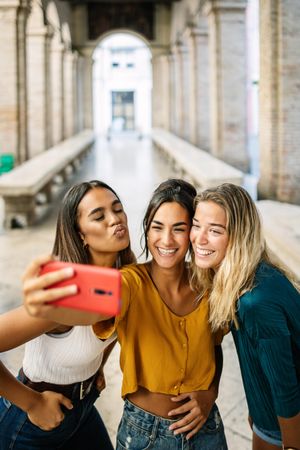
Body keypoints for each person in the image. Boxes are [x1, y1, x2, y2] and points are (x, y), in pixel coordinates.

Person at [23, 178, 228, 450]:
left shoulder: (209, 283)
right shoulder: (129, 280)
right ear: (146, 228)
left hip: (206, 427)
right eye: (157, 227)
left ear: (193, 232)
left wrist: (209, 393)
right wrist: (52, 301)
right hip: (145, 434)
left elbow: (214, 346)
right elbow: (92, 310)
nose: (166, 240)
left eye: (179, 228)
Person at [0, 180, 136, 450]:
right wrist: (33, 403)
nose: (115, 219)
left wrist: (97, 364)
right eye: (99, 216)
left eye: (118, 209)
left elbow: (111, 330)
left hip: (83, 407)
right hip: (32, 421)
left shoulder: (124, 278)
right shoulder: (64, 293)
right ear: (80, 234)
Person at [189, 183, 300, 450]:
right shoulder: (254, 273)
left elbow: (286, 388)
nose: (199, 239)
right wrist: (255, 405)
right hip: (266, 416)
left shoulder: (255, 301)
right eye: (196, 225)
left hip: (283, 427)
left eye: (215, 231)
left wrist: (292, 446)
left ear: (238, 236)